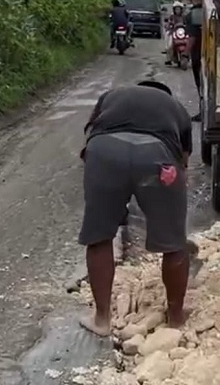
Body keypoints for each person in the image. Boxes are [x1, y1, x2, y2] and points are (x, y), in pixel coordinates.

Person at [78, 80, 193, 336]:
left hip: (104, 151)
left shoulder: (112, 95)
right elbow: (183, 161)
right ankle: (175, 318)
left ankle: (102, 319)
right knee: (174, 242)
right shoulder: (176, 107)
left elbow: (91, 130)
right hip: (158, 157)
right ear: (165, 93)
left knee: (99, 236)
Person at [184, 0, 203, 121]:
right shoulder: (212, 10)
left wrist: (185, 54)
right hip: (215, 53)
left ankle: (203, 112)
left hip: (199, 54)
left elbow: (192, 38)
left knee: (201, 85)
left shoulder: (193, 14)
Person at [165, 1, 185, 66]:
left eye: (179, 9)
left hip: (182, 33)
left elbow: (187, 23)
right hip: (173, 32)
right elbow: (168, 23)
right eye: (176, 9)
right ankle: (168, 59)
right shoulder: (172, 16)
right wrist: (169, 26)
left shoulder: (184, 17)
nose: (177, 10)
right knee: (170, 46)